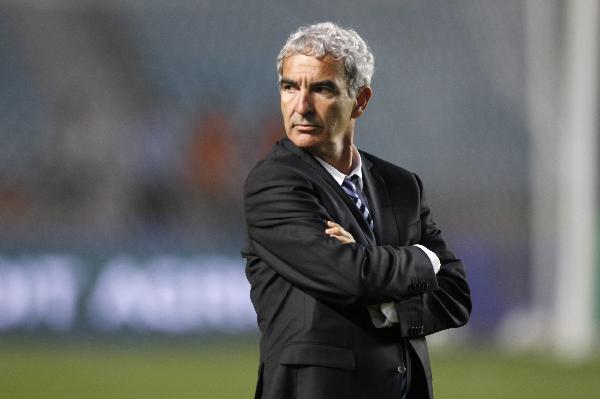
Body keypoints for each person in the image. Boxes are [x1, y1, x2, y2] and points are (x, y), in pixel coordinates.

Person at [242, 22, 471, 399]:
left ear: (360, 101)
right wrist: (421, 260)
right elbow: (349, 276)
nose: (301, 105)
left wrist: (389, 308)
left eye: (321, 89)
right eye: (289, 87)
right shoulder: (273, 184)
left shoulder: (401, 186)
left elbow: (456, 294)